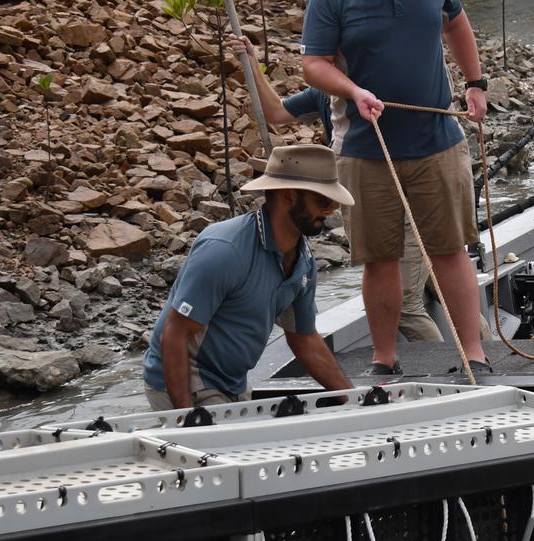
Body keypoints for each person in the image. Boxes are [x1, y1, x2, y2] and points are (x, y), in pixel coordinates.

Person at [301, 0, 491, 376]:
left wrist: (475, 83)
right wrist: (354, 91)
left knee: (450, 249)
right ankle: (384, 360)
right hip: (363, 147)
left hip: (438, 142)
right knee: (379, 257)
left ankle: (475, 356)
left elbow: (455, 24)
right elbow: (313, 64)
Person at [233, 34, 448, 345]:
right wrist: (252, 63)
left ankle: (459, 379)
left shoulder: (384, 85)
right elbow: (275, 114)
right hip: (381, 209)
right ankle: (483, 357)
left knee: (409, 305)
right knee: (438, 287)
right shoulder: (322, 94)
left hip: (407, 205)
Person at [141, 144, 355, 410]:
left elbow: (304, 338)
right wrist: (185, 416)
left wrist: (354, 399)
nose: (332, 208)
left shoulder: (303, 259)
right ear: (288, 195)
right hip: (187, 381)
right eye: (323, 200)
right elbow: (176, 333)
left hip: (234, 382)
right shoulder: (225, 251)